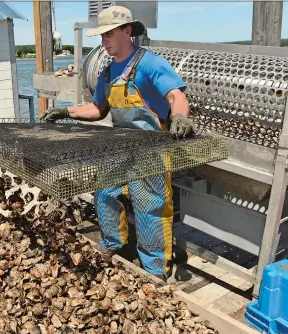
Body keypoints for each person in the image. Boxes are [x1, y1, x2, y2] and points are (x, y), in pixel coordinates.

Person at [39, 5, 194, 280]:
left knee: (151, 207)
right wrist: (66, 112)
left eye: (109, 34)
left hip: (151, 148)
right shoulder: (108, 73)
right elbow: (98, 109)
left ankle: (156, 269)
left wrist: (180, 117)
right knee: (105, 192)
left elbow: (175, 96)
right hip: (121, 144)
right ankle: (112, 244)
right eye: (101, 36)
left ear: (127, 30)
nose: (104, 41)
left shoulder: (149, 63)